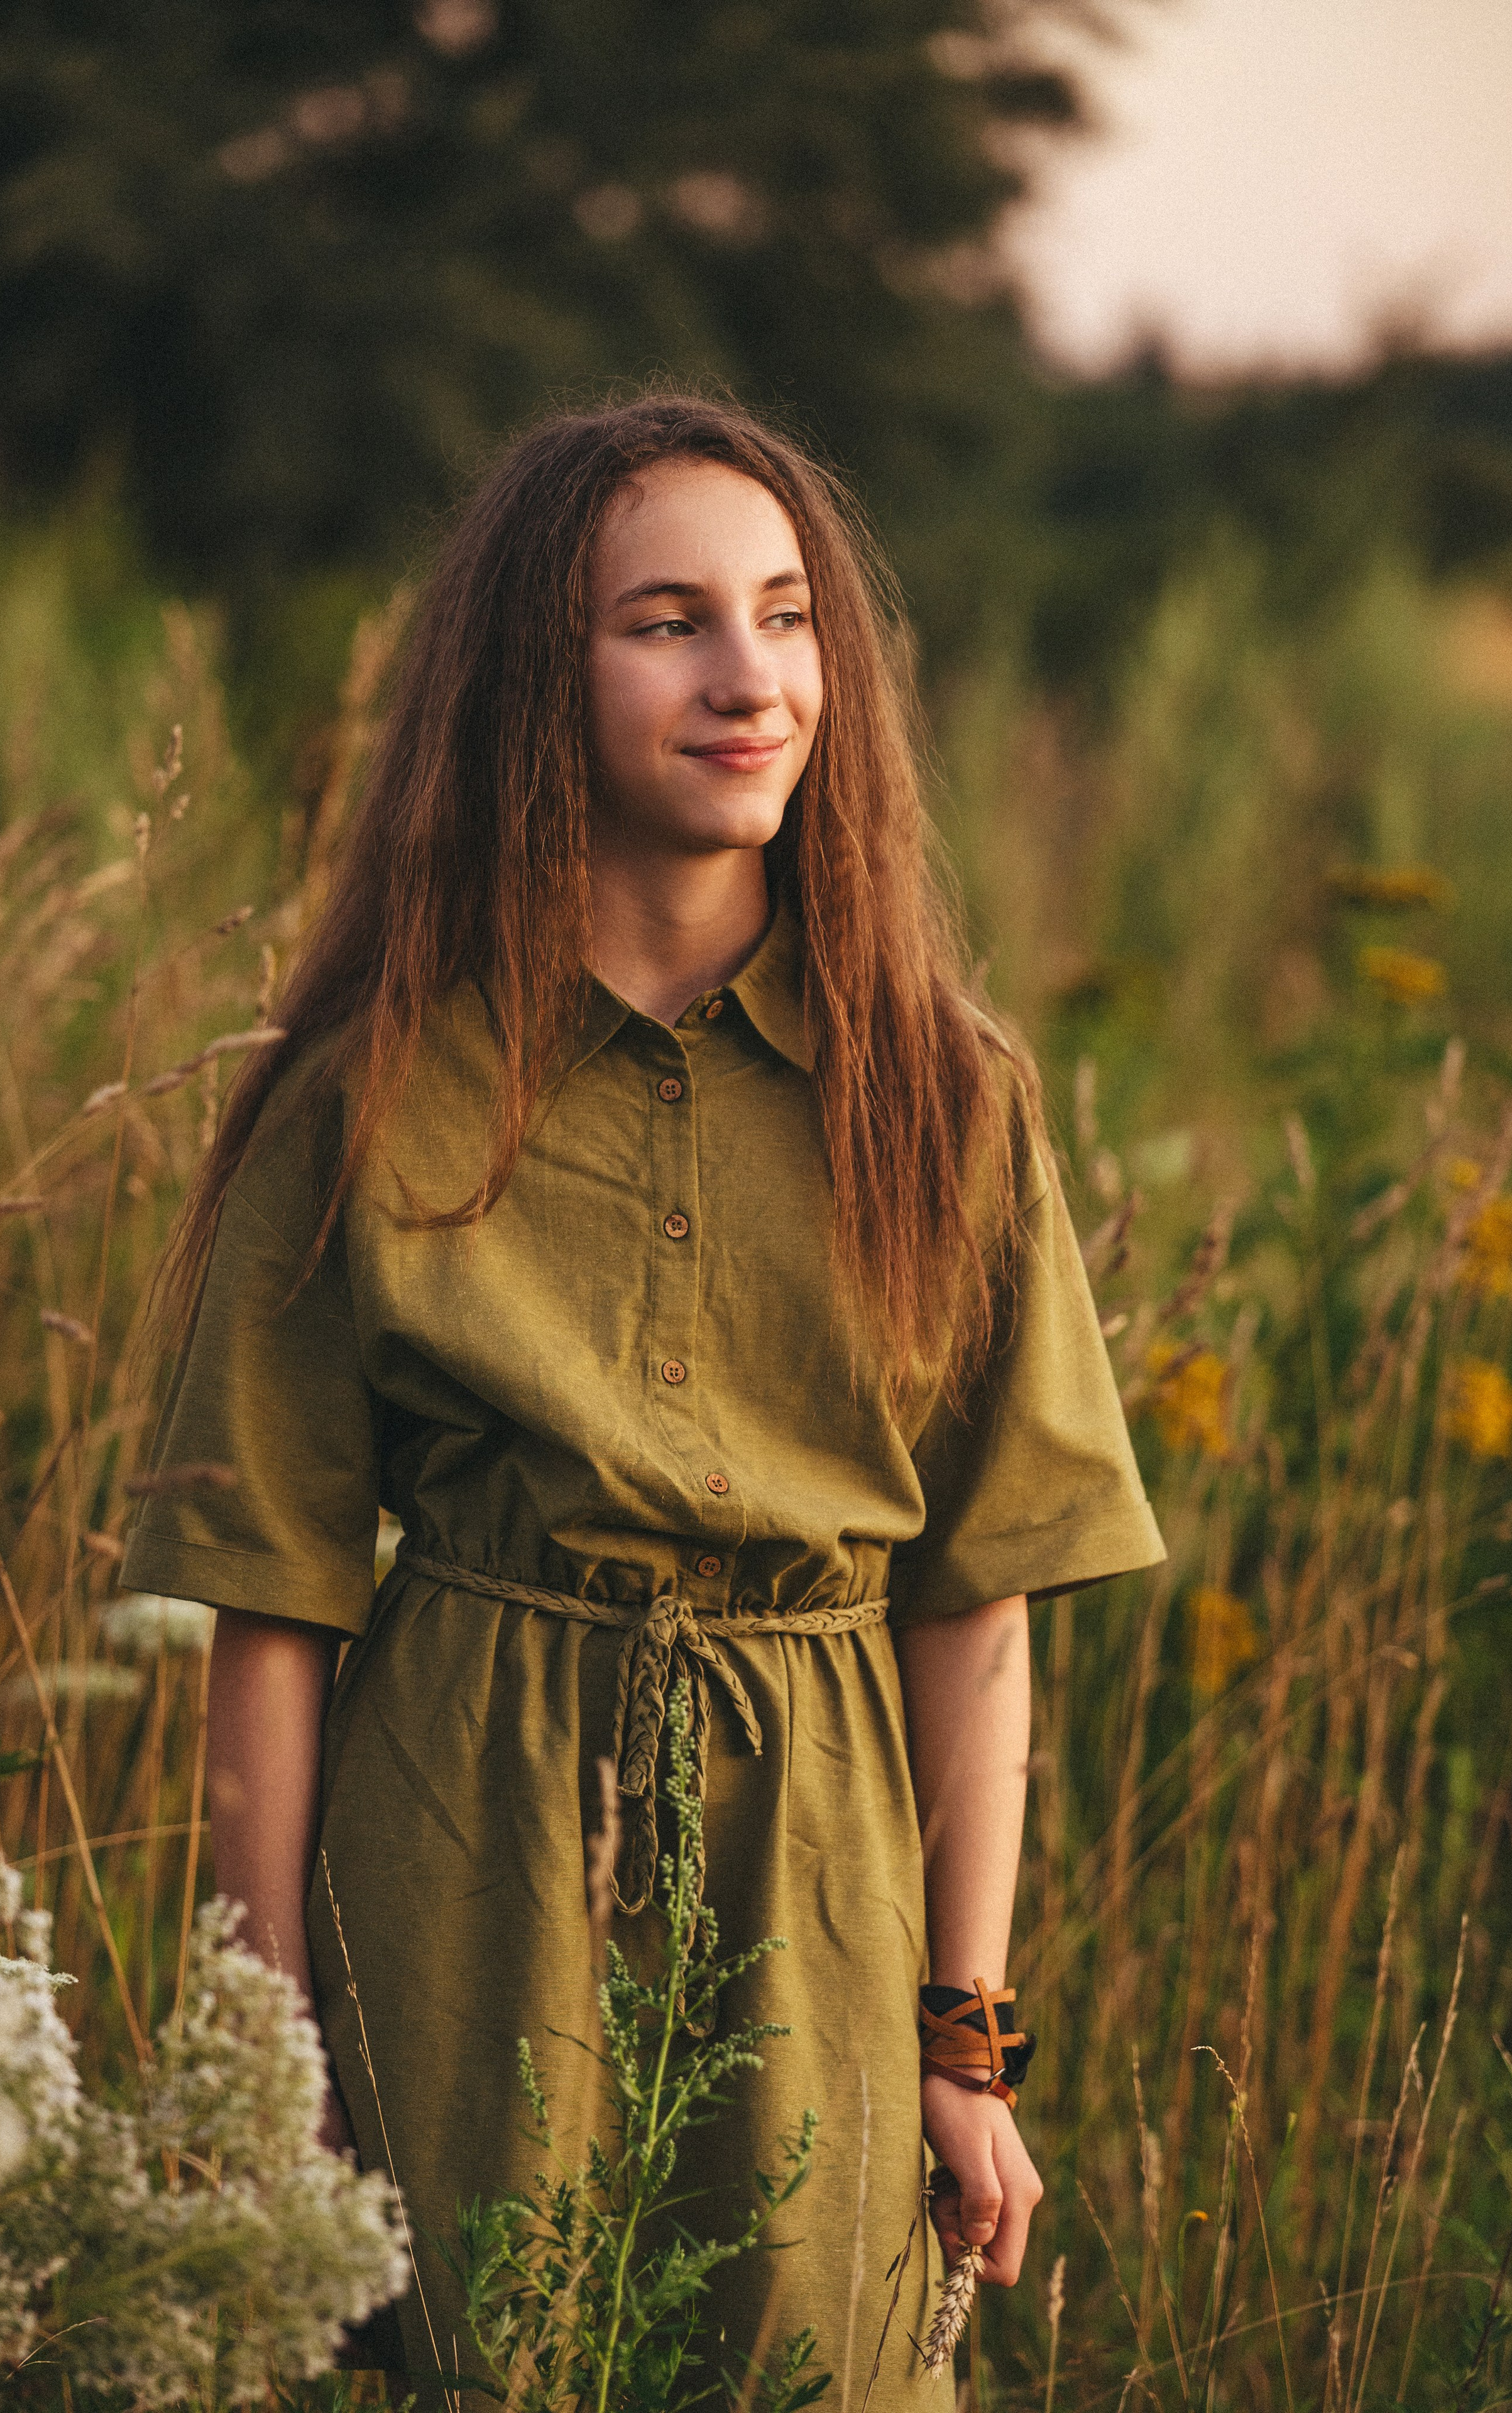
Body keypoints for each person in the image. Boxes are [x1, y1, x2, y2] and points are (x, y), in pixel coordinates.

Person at [123, 393, 1163, 2404]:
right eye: (667, 622)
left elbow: (978, 1606)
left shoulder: (946, 1097)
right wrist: (277, 2064)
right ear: (539, 676)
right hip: (461, 1847)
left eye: (786, 616)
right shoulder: (365, 1092)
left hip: (826, 1866)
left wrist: (968, 2052)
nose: (751, 678)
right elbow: (272, 1608)